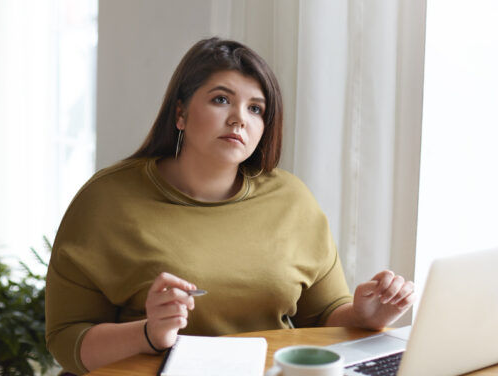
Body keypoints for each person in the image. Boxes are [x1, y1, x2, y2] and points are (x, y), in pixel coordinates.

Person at [45, 37, 415, 375]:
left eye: (256, 108)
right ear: (180, 114)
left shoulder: (291, 199)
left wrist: (367, 316)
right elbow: (66, 340)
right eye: (221, 99)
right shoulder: (106, 200)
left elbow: (323, 316)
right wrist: (149, 333)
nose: (240, 118)